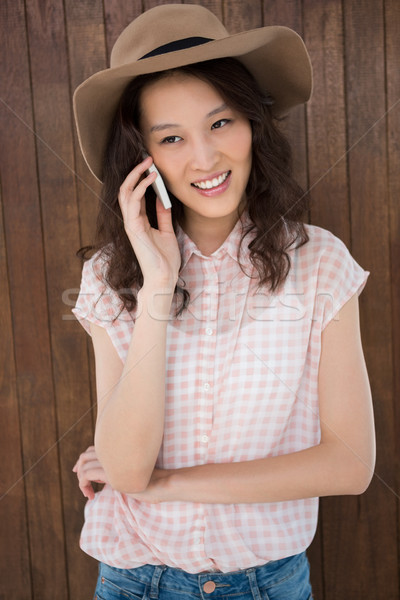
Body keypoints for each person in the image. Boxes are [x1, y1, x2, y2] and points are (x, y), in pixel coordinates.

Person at [71, 4, 375, 599]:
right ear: (143, 158)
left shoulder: (320, 262)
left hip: (270, 585)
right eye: (172, 138)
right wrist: (158, 286)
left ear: (253, 124)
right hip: (136, 585)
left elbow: (349, 464)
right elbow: (127, 471)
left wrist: (169, 484)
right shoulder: (109, 276)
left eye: (220, 123)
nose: (206, 159)